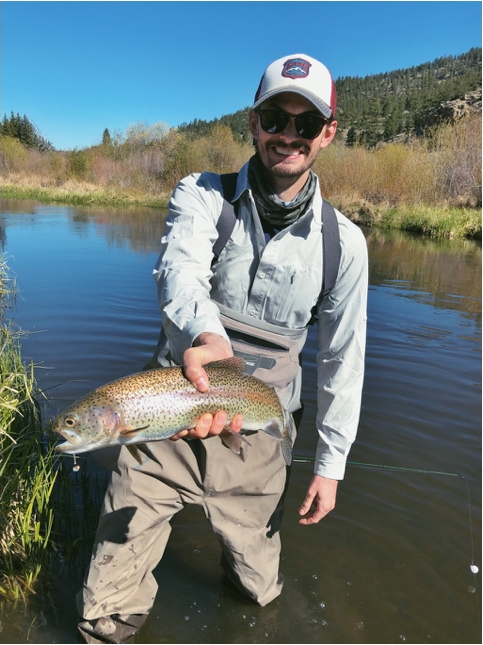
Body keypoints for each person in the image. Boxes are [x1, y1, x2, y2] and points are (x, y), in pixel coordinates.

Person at [77, 54, 368, 643]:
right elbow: (178, 270)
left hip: (260, 434)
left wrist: (330, 466)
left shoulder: (346, 245)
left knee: (256, 596)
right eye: (274, 118)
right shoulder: (202, 195)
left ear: (328, 134)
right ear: (252, 122)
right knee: (103, 609)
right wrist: (208, 337)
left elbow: (343, 360)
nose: (288, 135)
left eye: (305, 124)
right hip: (163, 417)